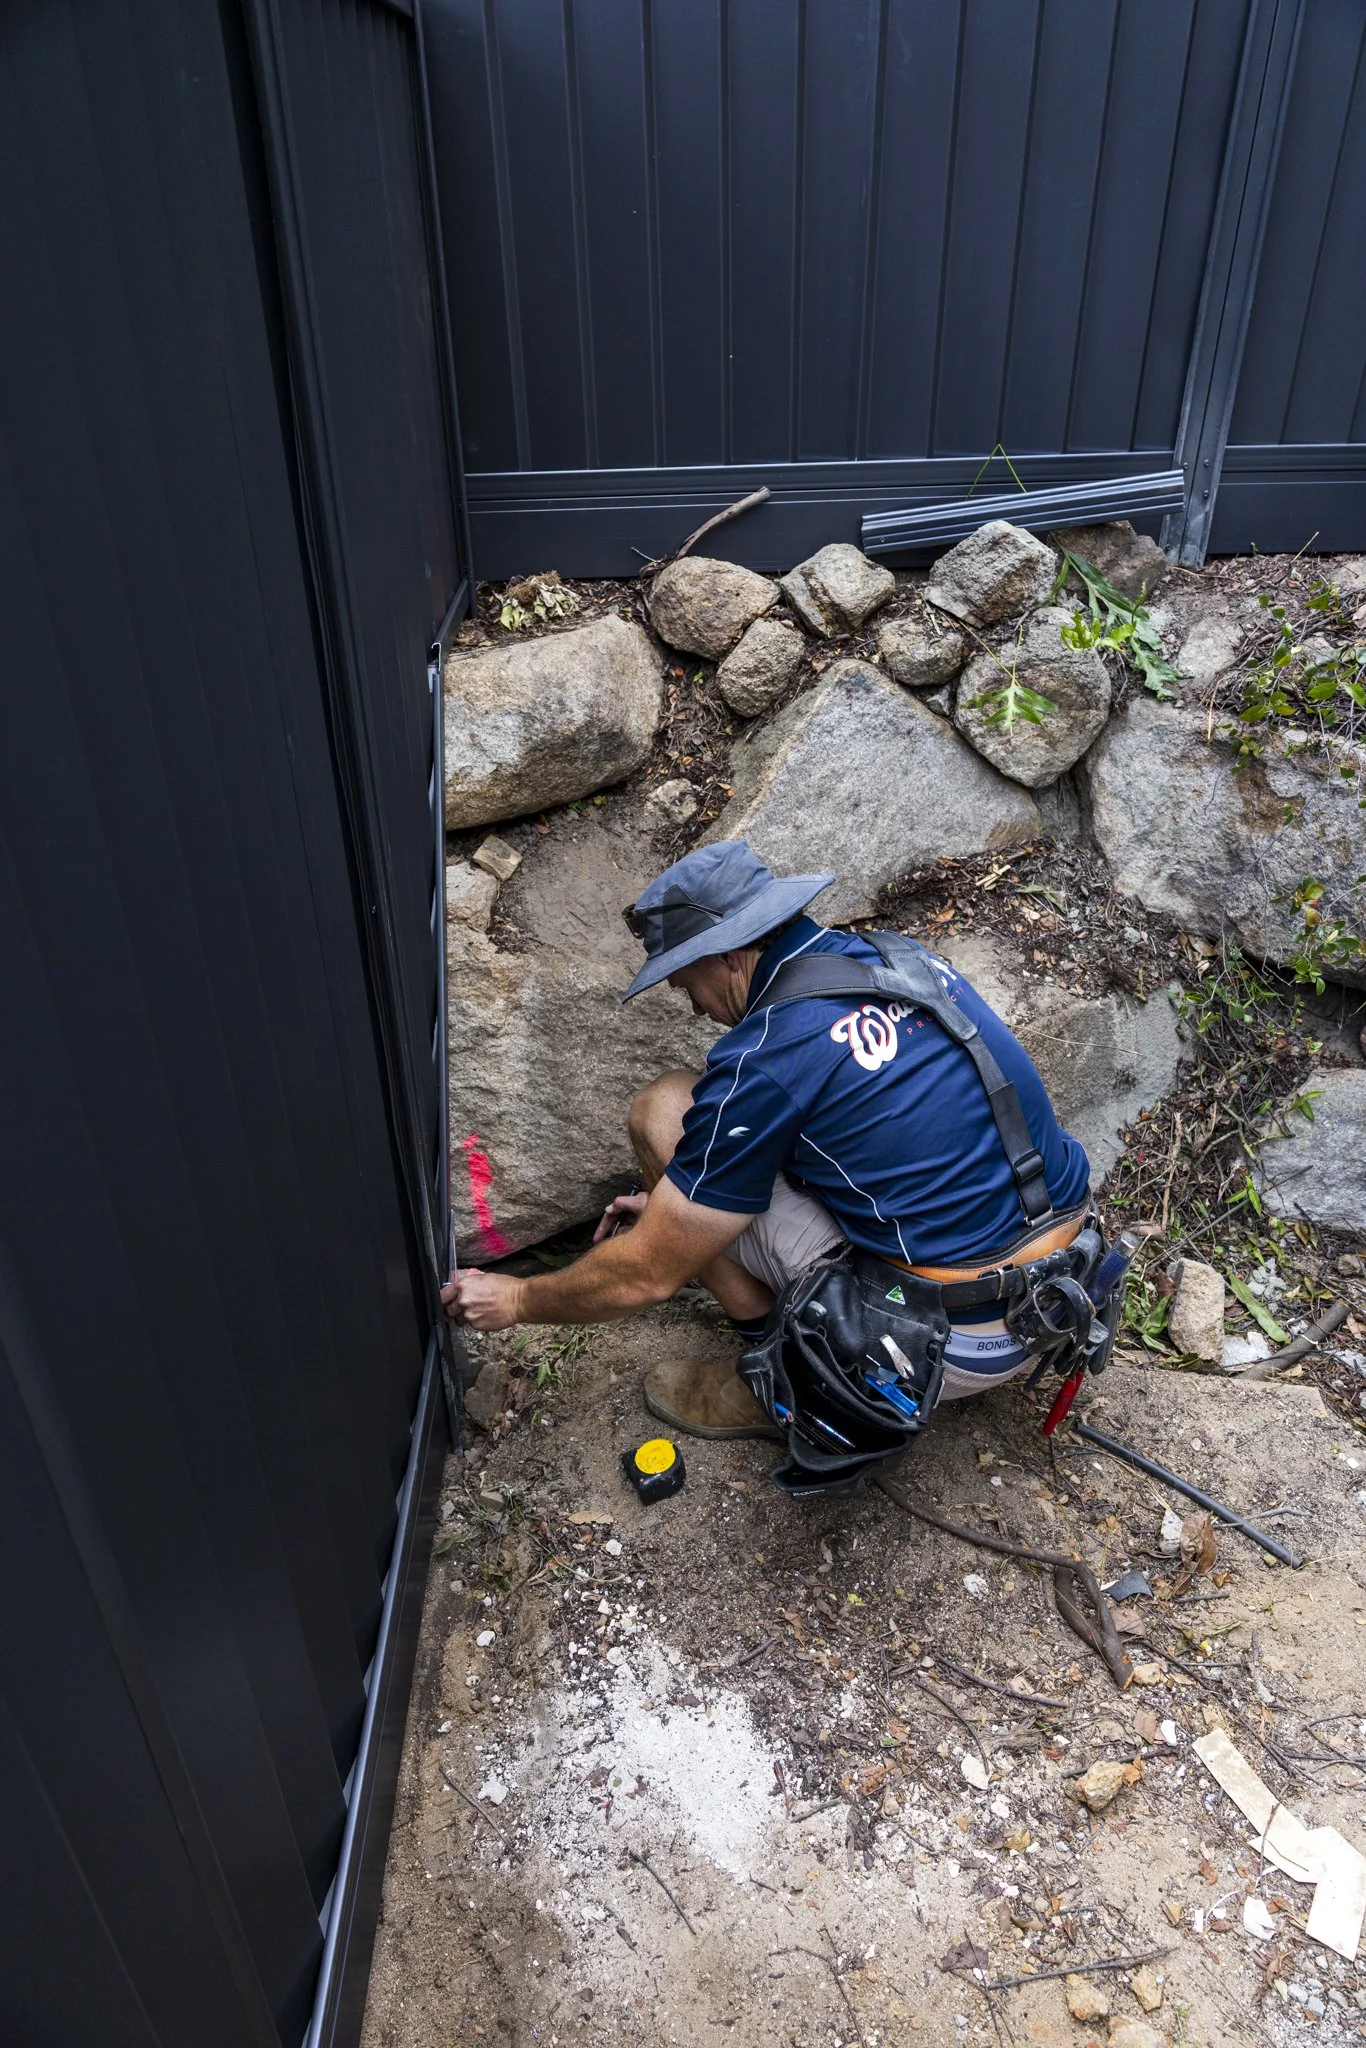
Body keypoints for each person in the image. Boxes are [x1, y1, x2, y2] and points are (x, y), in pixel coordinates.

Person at [443, 841, 1096, 1451]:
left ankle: (778, 1376)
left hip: (950, 1343)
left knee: (664, 1111)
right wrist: (683, 1205)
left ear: (729, 954)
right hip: (1067, 1288)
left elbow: (647, 1275)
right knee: (717, 1158)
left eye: (684, 982)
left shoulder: (769, 1052)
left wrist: (519, 1299)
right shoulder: (897, 956)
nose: (694, 1007)